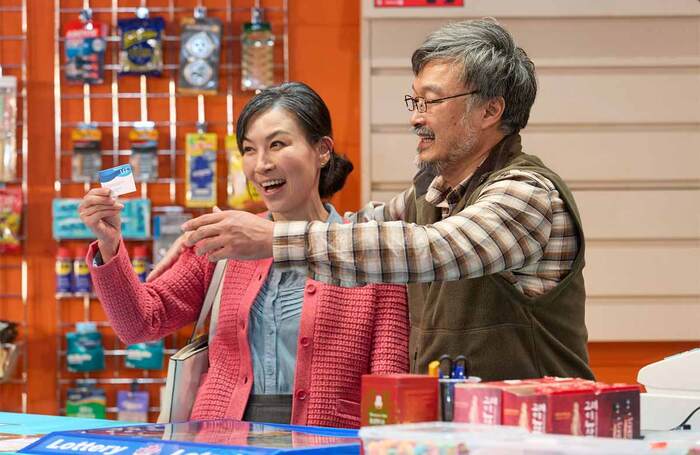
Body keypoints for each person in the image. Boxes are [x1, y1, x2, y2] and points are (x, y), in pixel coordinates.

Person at [164, 18, 595, 382]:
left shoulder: (526, 195)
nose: (415, 116)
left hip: (535, 436)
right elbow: (355, 230)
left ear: (490, 111)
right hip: (460, 436)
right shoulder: (429, 195)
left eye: (432, 101)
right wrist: (213, 235)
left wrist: (272, 238)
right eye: (415, 100)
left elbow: (433, 249)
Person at [79, 82, 410, 427]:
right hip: (220, 438)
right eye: (249, 150)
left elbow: (388, 378)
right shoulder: (226, 238)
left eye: (277, 144)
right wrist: (110, 244)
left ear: (322, 150)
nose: (261, 164)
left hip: (329, 442)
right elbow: (139, 323)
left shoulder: (368, 252)